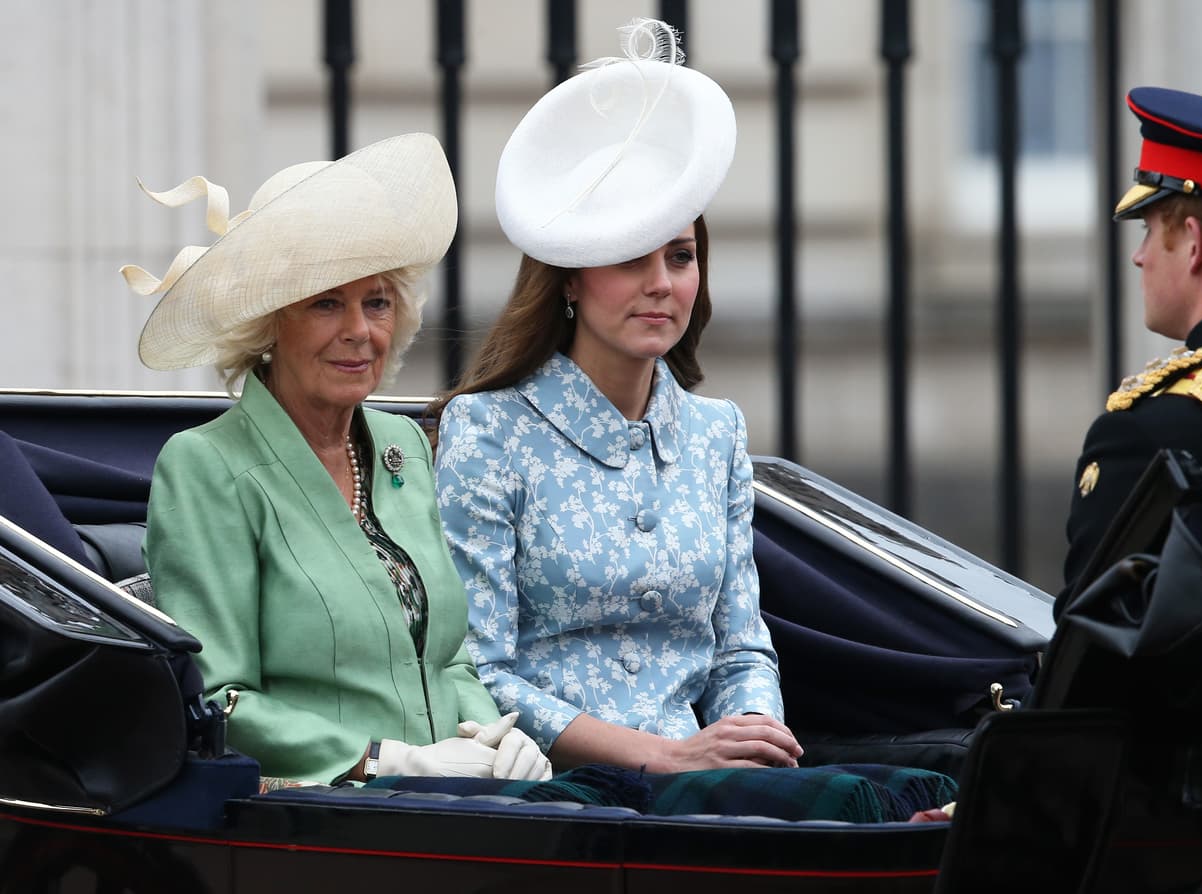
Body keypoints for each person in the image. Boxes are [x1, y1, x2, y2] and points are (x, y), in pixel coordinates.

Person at [432, 18, 803, 774]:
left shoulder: (717, 434)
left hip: (703, 786)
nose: (661, 283)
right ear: (570, 277)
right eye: (632, 257)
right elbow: (477, 670)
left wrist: (750, 740)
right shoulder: (488, 430)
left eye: (681, 256)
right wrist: (664, 757)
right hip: (550, 789)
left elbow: (740, 650)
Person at [123, 133, 551, 785]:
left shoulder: (404, 445)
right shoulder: (205, 466)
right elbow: (219, 697)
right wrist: (384, 759)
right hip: (316, 815)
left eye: (376, 302)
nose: (359, 330)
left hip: (455, 802)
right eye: (326, 302)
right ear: (269, 322)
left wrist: (494, 740)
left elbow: (447, 659)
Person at [1061, 87, 1202, 605]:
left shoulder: (1147, 436)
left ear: (1194, 243)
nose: (1139, 257)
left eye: (1149, 229)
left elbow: (1091, 647)